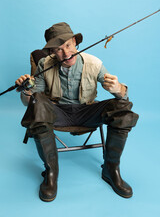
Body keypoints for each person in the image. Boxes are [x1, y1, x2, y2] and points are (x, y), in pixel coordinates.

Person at [16, 22, 139, 202]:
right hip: (57, 112)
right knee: (38, 102)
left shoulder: (94, 63)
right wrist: (26, 90)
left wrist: (118, 88)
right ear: (52, 52)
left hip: (88, 111)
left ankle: (111, 170)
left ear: (74, 41)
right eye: (58, 49)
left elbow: (122, 95)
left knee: (123, 108)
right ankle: (51, 173)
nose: (66, 53)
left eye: (67, 45)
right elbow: (31, 104)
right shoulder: (44, 64)